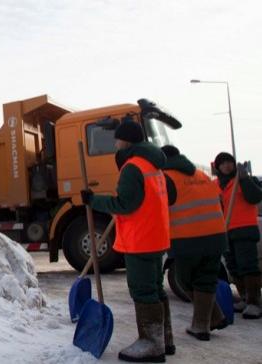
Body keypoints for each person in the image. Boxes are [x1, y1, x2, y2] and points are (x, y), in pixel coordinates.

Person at [81, 121, 171, 362]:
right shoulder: (154, 164)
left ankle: (151, 344)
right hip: (156, 237)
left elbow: (125, 205)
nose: (115, 143)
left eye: (118, 139)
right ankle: (165, 339)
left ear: (127, 140)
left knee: (143, 291)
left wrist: (94, 200)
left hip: (141, 239)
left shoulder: (133, 167)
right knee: (155, 289)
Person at [161, 145, 228, 340]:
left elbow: (159, 208)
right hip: (216, 236)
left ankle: (208, 320)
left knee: (184, 279)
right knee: (205, 280)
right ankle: (206, 323)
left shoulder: (166, 178)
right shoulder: (202, 175)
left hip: (188, 238)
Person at [214, 152, 262, 319]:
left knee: (247, 266)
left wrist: (245, 179)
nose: (227, 166)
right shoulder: (217, 185)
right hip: (226, 230)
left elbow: (256, 196)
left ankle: (254, 302)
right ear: (217, 167)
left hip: (245, 229)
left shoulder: (242, 181)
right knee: (233, 266)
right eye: (223, 163)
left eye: (229, 162)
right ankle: (243, 297)